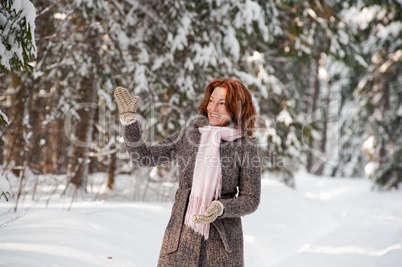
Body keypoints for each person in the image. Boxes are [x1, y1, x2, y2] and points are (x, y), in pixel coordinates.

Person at [114, 78, 261, 267]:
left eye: (222, 103)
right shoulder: (189, 135)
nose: (213, 108)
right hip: (180, 240)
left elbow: (251, 199)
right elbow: (144, 158)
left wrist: (221, 207)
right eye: (211, 101)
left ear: (236, 108)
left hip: (222, 248)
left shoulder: (245, 146)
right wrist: (129, 123)